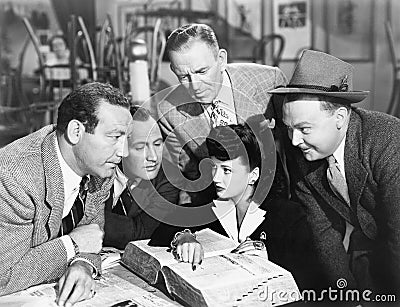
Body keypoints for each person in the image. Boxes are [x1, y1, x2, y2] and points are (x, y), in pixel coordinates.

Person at [271, 50, 400, 297]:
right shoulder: (304, 151)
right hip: (370, 250)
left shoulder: (389, 142)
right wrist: (347, 297)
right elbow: (323, 233)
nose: (295, 140)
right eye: (289, 129)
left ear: (340, 117)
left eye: (304, 129)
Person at [0, 82, 132, 306]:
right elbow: (4, 275)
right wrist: (72, 245)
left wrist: (82, 263)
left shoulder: (101, 169)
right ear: (76, 131)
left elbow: (92, 232)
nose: (124, 151)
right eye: (114, 137)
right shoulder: (15, 176)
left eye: (126, 138)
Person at [153, 124, 321, 290]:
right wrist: (184, 237)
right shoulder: (208, 206)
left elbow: (310, 280)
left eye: (227, 170)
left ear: (253, 176)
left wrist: (269, 259)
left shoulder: (288, 215)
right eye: (213, 167)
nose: (216, 178)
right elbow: (163, 230)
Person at [155, 23, 289, 207]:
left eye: (202, 71)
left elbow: (295, 150)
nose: (195, 86)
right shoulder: (169, 112)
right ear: (173, 70)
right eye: (183, 77)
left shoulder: (269, 82)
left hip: (278, 195)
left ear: (221, 59)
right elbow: (193, 178)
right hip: (219, 202)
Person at [103, 106, 180, 249]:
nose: (153, 157)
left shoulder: (168, 177)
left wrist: (92, 221)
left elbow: (141, 233)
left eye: (157, 144)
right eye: (140, 148)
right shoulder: (97, 171)